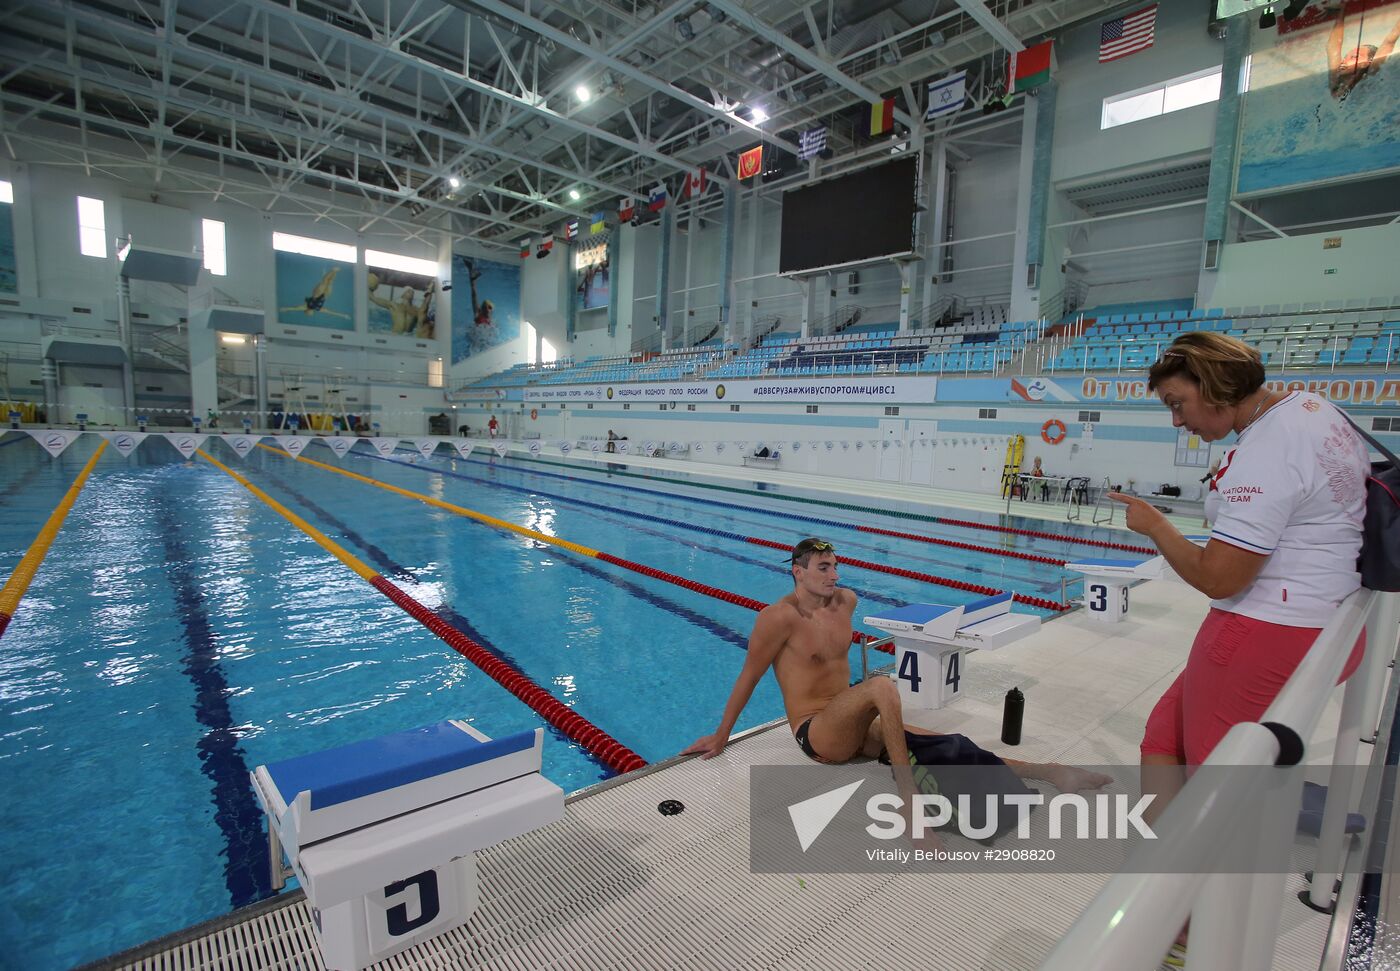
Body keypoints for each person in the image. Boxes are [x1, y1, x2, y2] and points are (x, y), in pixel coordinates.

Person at [1108, 331, 1368, 854]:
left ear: (1214, 385)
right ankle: (1159, 883)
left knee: (1215, 788)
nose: (1177, 420)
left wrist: (1158, 527)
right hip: (1322, 623)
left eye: (1178, 404)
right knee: (1164, 737)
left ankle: (1188, 920)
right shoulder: (1311, 408)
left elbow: (1219, 577)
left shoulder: (1268, 449)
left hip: (1266, 634)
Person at [682, 538, 1111, 816]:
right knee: (883, 685)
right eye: (824, 568)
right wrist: (721, 736)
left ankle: (1051, 772)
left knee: (947, 744)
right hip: (817, 733)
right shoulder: (778, 619)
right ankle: (909, 800)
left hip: (852, 717)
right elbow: (748, 677)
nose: (835, 575)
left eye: (836, 566)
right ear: (798, 570)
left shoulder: (845, 601)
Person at [1326, 0, 1400, 100]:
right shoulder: (1336, 82)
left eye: (1354, 57)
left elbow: (1389, 41)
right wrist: (1342, 10)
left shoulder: (1371, 76)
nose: (1344, 61)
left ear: (1367, 62)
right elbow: (1332, 48)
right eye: (1345, 57)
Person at [368, 277, 435, 338]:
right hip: (394, 335)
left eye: (412, 292)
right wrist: (367, 287)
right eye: (408, 291)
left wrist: (430, 290)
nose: (411, 292)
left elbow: (425, 307)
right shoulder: (394, 305)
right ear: (402, 294)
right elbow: (373, 298)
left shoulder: (416, 310)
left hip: (408, 337)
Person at [280, 267, 349, 319]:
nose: (310, 313)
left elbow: (295, 308)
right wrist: (343, 315)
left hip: (316, 294)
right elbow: (331, 313)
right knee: (330, 282)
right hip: (325, 296)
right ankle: (335, 272)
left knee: (324, 281)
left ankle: (333, 270)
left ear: (306, 311)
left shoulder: (306, 307)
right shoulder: (319, 309)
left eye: (308, 313)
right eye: (310, 314)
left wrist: (286, 308)